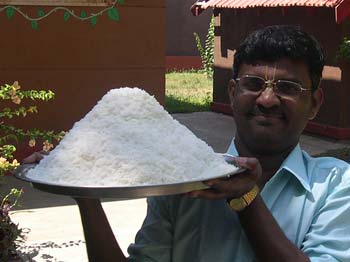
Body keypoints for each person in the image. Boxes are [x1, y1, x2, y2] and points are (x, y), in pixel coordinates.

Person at [24, 25, 350, 261]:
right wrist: (84, 194)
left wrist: (247, 200)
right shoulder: (180, 183)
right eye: (253, 84)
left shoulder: (336, 184)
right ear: (233, 92)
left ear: (316, 103)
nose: (267, 99)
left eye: (288, 88)